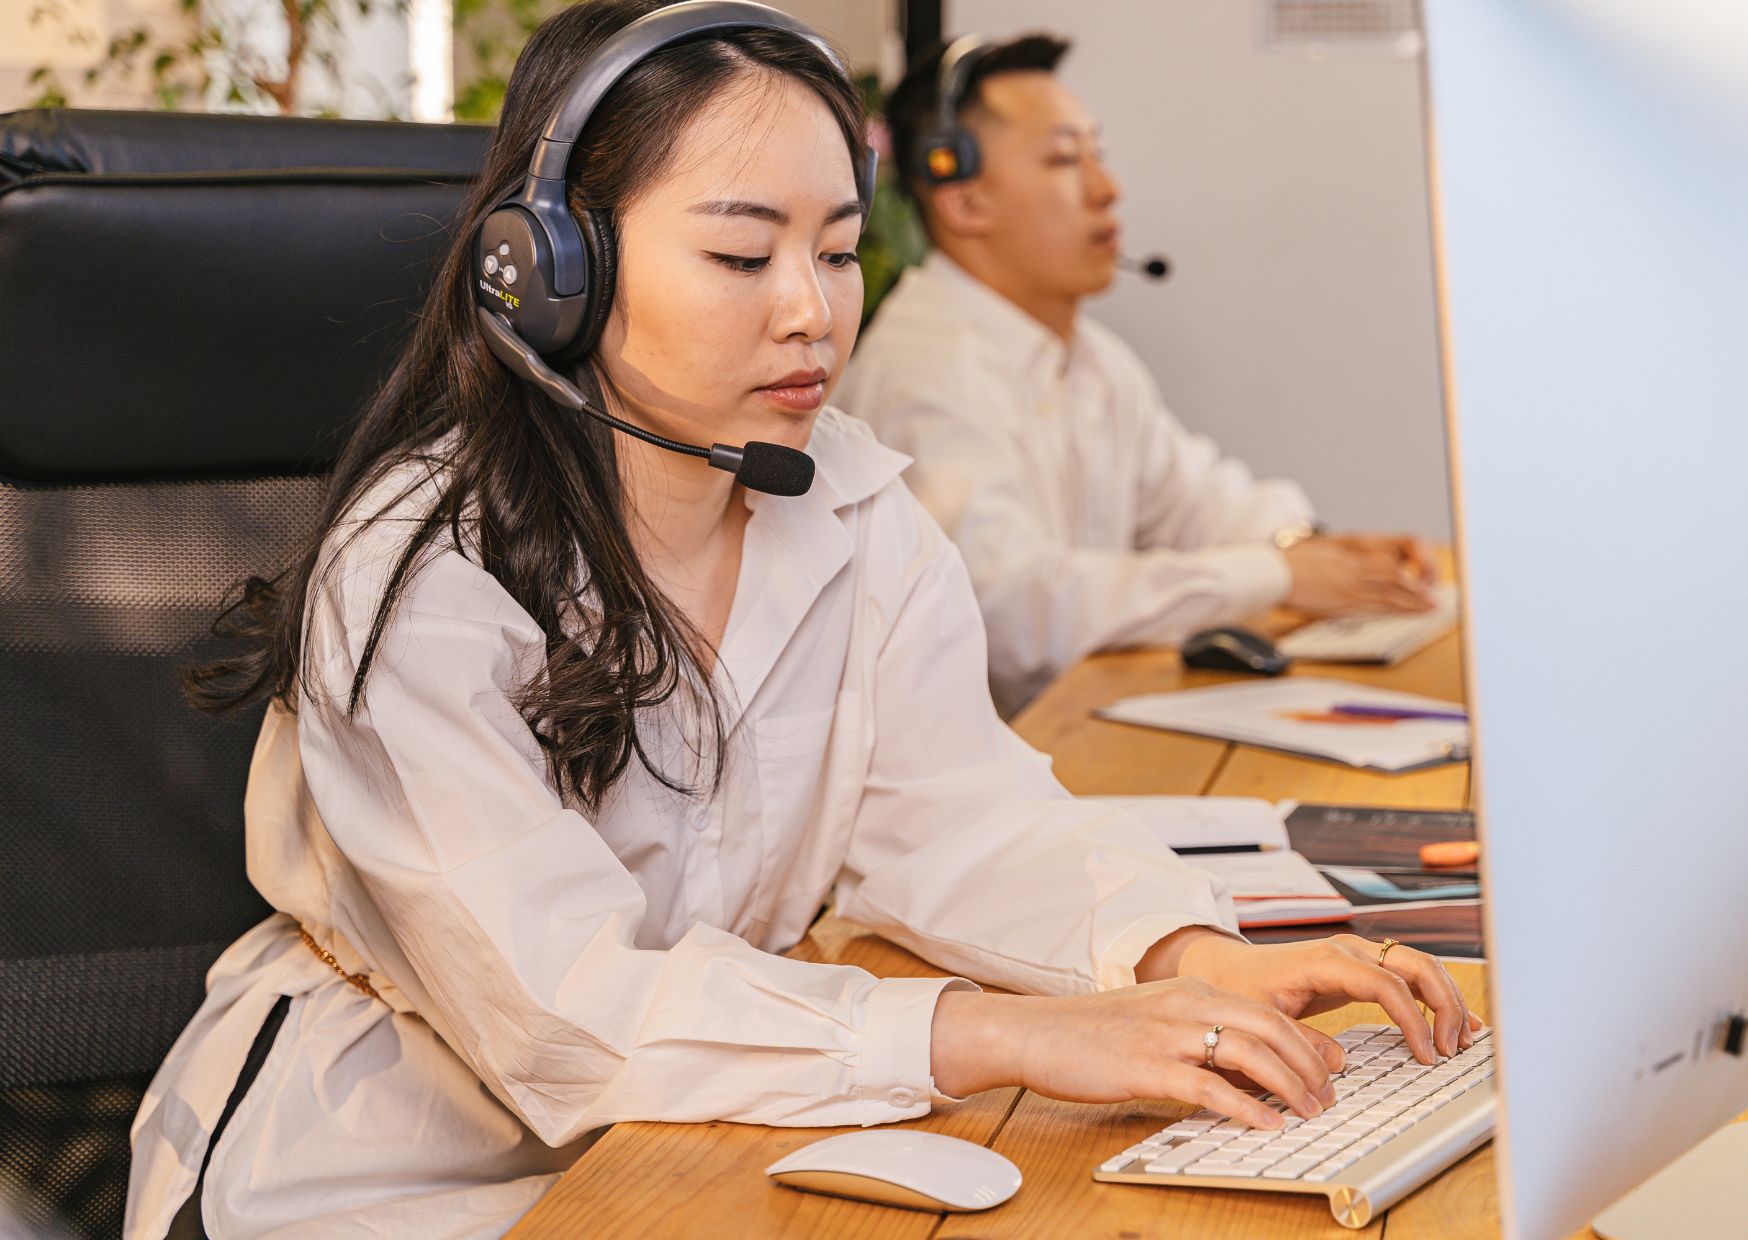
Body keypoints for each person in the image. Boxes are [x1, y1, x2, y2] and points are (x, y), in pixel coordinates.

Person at [124, 5, 1476, 1237]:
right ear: (555, 271)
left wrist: (1182, 954)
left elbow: (960, 820)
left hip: (711, 1133)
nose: (810, 310)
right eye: (739, 251)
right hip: (385, 1182)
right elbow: (568, 1014)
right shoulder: (423, 580)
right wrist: (1004, 1036)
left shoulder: (851, 504)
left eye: (835, 251)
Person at [839, 34, 1439, 715]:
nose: (1107, 189)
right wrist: (1279, 575)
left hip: (1063, 741)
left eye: (1099, 155)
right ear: (962, 199)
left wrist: (1313, 551)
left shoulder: (1091, 358)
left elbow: (1197, 500)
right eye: (1066, 159)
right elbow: (1010, 611)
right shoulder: (928, 370)